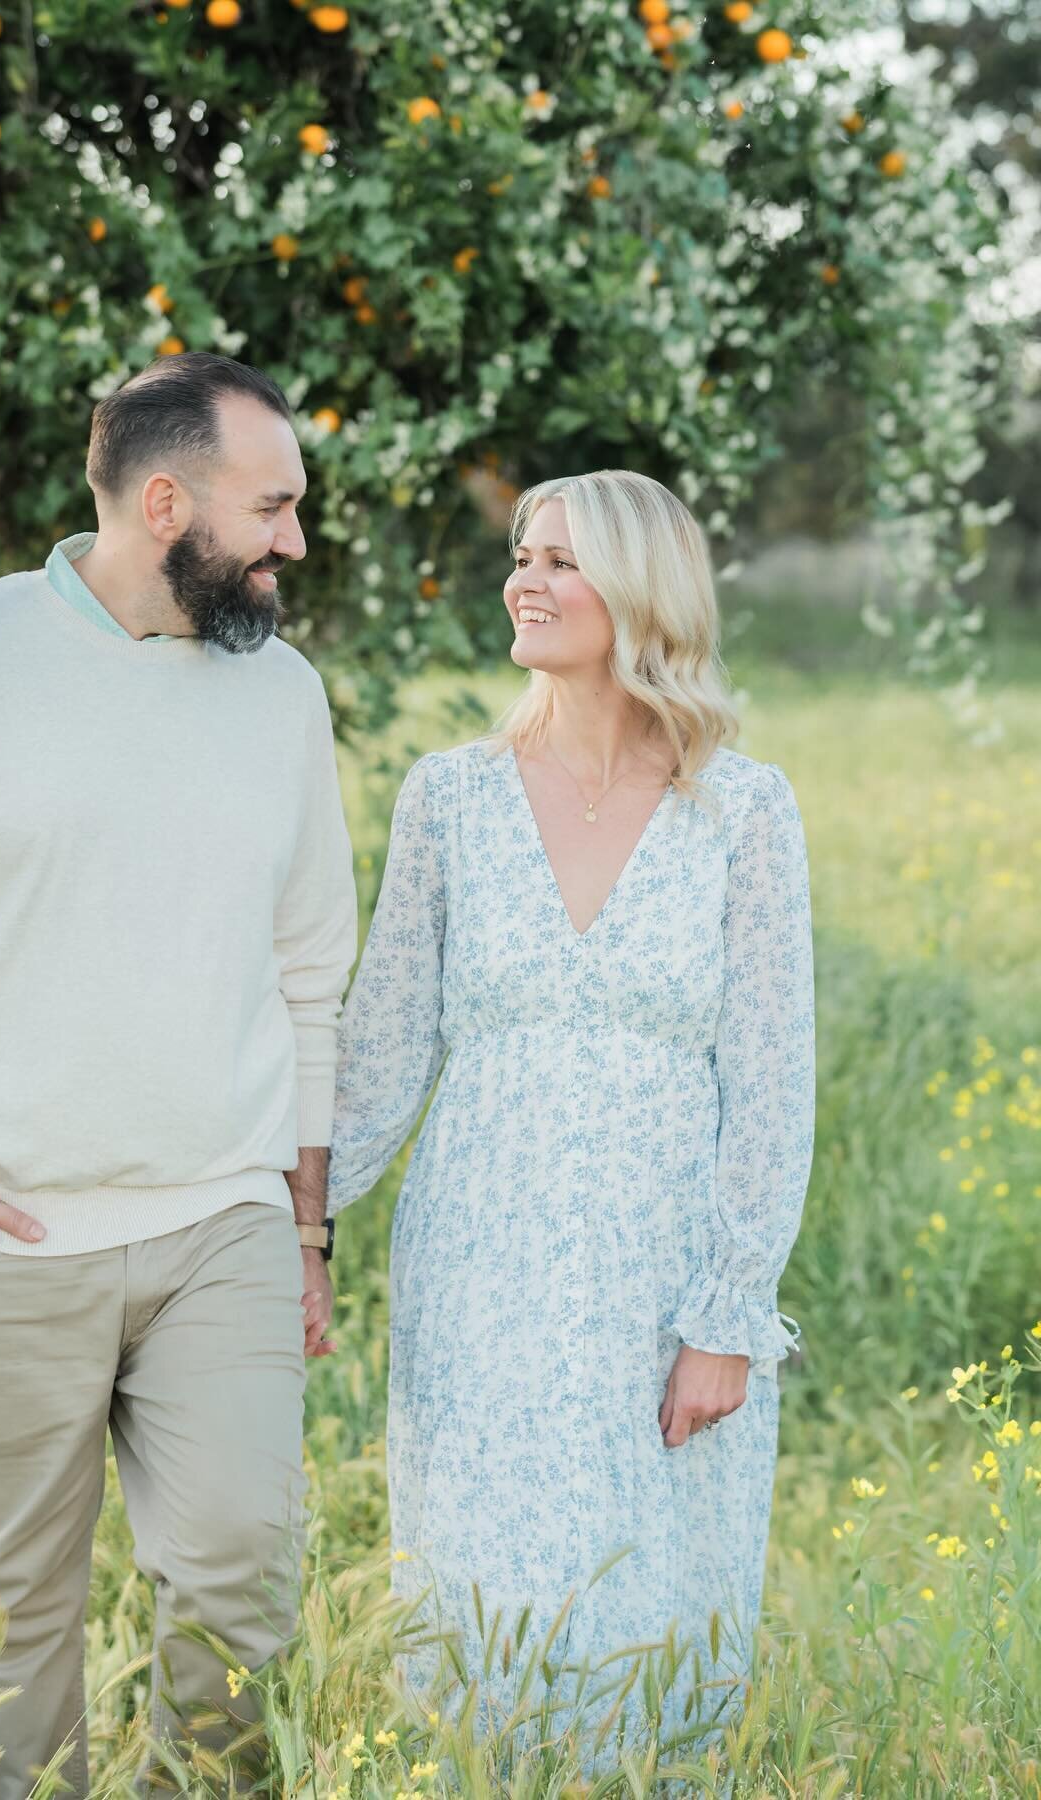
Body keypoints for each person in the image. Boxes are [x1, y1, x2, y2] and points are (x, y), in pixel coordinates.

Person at [0, 352, 355, 1796]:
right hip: (4, 1240)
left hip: (220, 1221)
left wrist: (305, 1228)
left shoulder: (281, 695)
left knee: (240, 1595)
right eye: (271, 507)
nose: (295, 540)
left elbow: (306, 980)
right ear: (167, 502)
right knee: (15, 1624)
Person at [325, 470, 815, 1770]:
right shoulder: (451, 796)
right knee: (486, 1597)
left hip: (661, 1281)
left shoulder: (744, 810)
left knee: (649, 1595)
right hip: (476, 1265)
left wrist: (728, 1314)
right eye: (521, 555)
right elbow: (379, 1053)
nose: (522, 582)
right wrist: (292, 1230)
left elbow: (771, 1082)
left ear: (642, 593)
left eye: (561, 562)